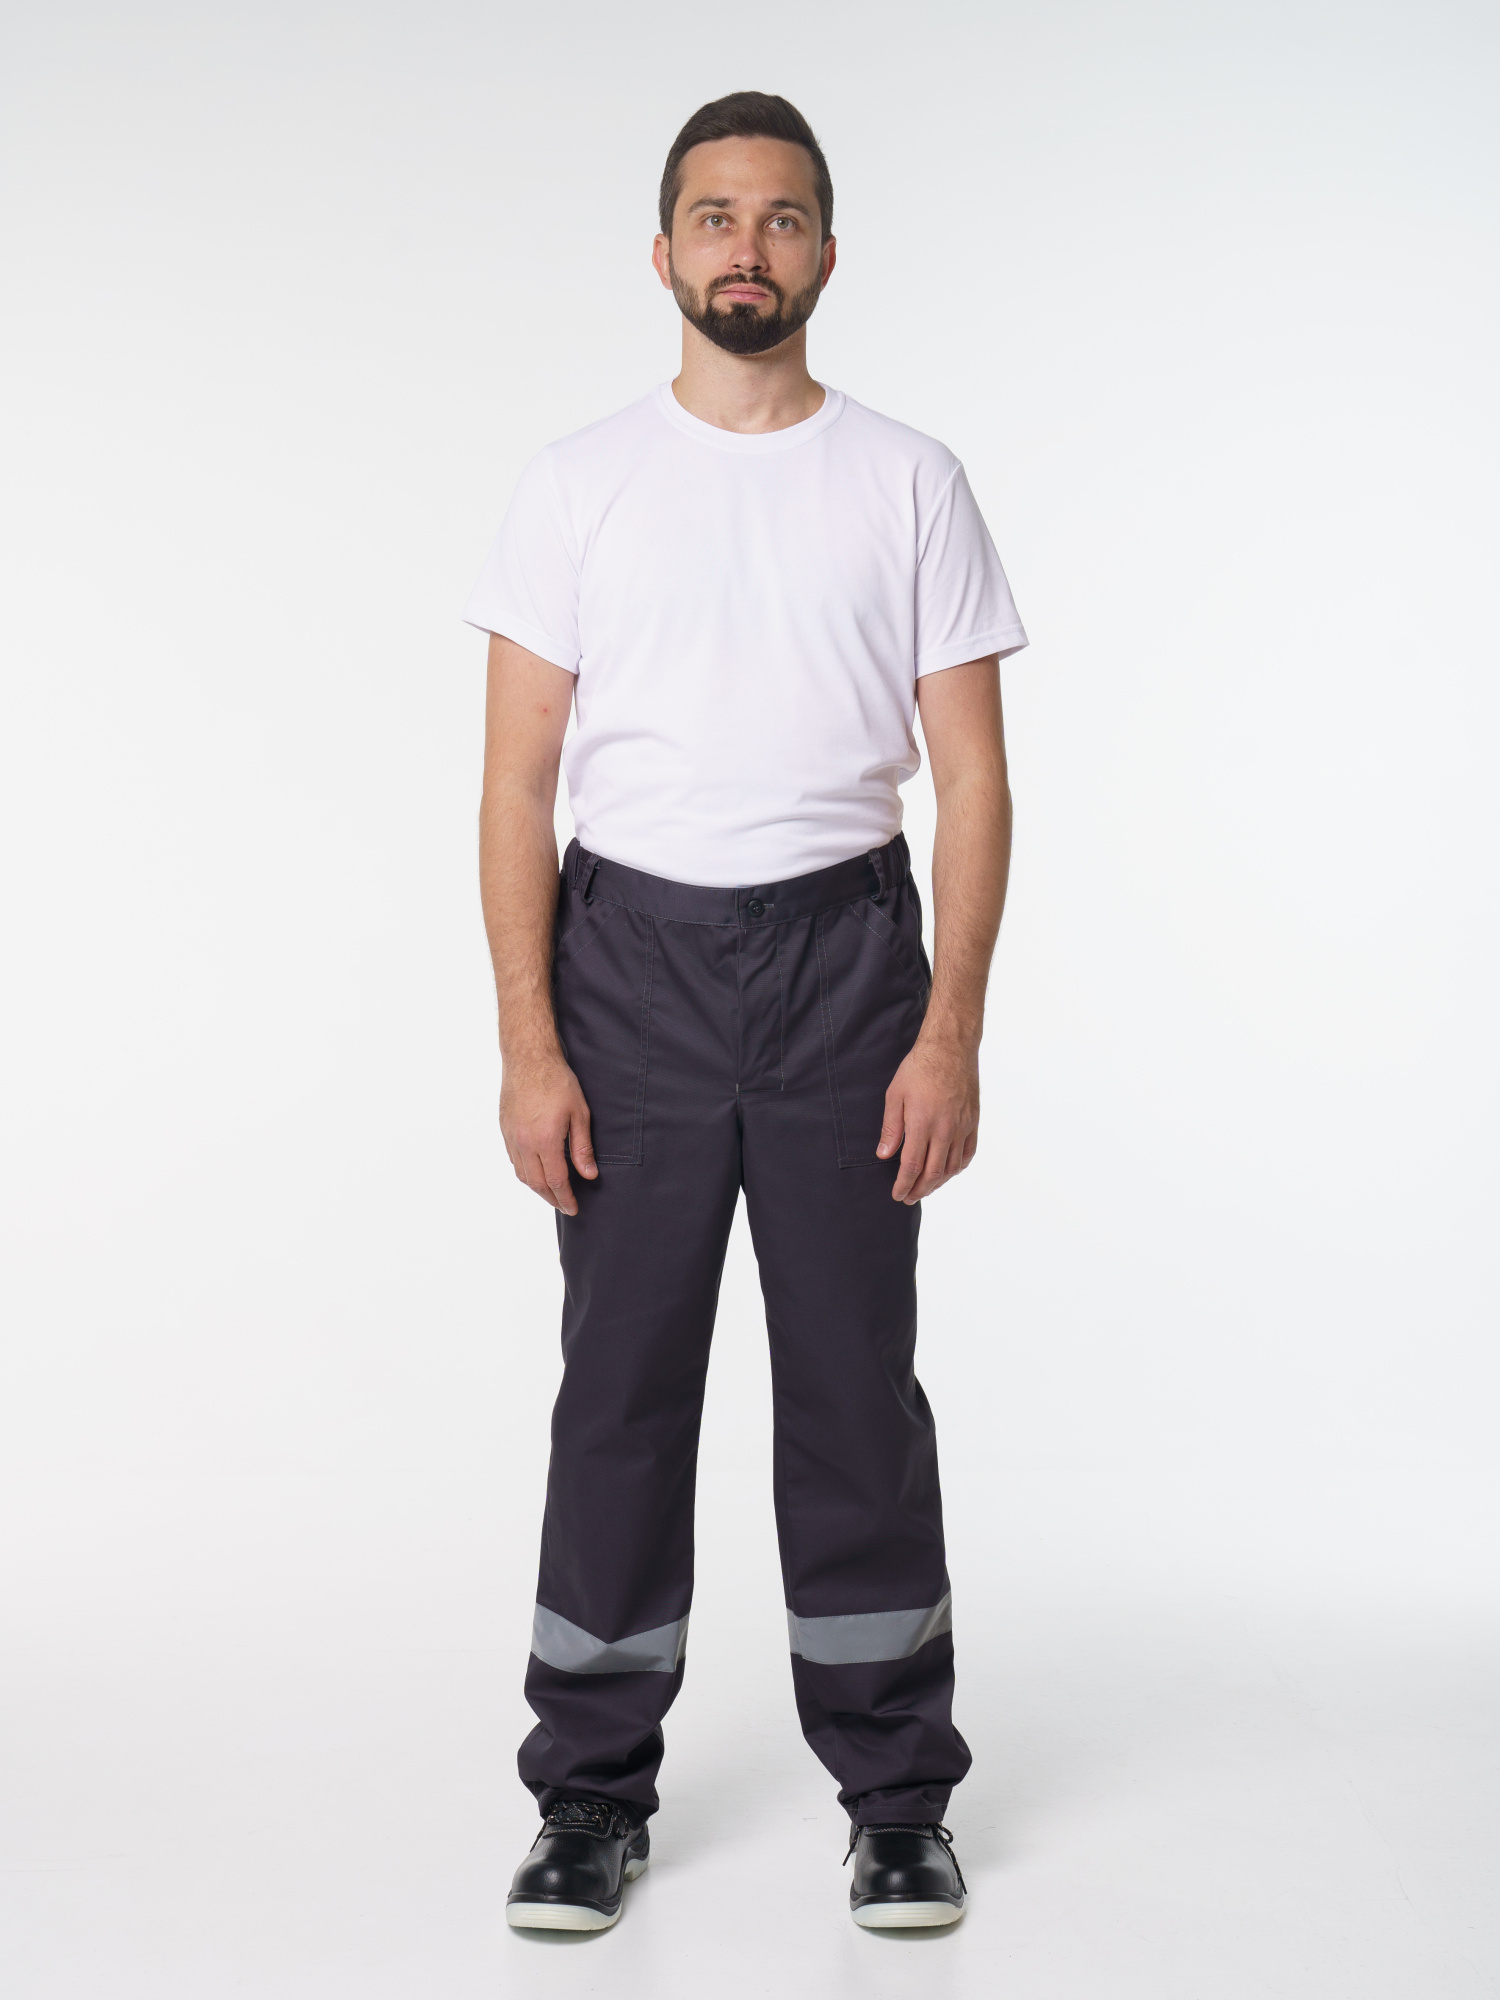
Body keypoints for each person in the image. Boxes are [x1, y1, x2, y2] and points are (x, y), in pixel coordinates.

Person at [466, 90, 1027, 1934]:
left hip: (845, 973)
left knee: (854, 1390)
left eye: (781, 218)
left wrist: (948, 1033)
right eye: (714, 216)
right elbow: (515, 787)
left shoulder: (909, 480)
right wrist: (530, 1045)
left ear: (827, 254)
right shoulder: (576, 484)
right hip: (627, 970)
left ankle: (896, 1796)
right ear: (662, 252)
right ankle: (587, 1794)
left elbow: (973, 780)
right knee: (621, 1391)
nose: (745, 247)